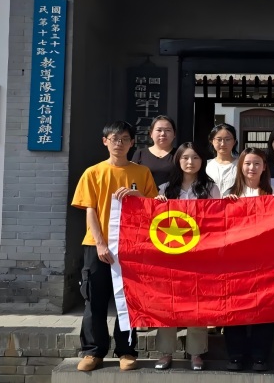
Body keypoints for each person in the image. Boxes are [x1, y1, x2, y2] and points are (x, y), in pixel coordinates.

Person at [71, 121, 158, 372]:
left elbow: (154, 208)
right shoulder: (93, 172)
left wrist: (138, 197)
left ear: (132, 143)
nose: (119, 143)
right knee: (95, 301)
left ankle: (126, 350)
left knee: (127, 301)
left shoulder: (142, 173)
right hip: (97, 245)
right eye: (114, 138)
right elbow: (90, 210)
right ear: (105, 141)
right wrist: (100, 244)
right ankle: (93, 352)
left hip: (131, 246)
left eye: (124, 139)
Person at [153, 142, 221, 371]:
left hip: (199, 256)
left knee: (196, 304)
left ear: (202, 161)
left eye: (195, 158)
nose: (190, 162)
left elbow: (217, 222)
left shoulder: (211, 189)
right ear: (178, 160)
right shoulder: (165, 189)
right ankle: (165, 352)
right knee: (168, 303)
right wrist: (156, 205)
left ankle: (196, 353)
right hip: (171, 255)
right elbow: (155, 223)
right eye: (185, 158)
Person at [223, 147, 274, 372]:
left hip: (265, 264)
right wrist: (224, 206)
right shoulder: (229, 193)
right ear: (240, 166)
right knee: (234, 309)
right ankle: (236, 356)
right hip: (235, 263)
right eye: (247, 163)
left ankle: (260, 356)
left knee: (263, 309)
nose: (252, 168)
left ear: (264, 167)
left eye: (257, 163)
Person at [131, 115, 177, 187]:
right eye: (159, 130)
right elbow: (132, 179)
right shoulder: (140, 154)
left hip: (173, 194)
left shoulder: (179, 154)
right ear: (151, 133)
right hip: (145, 194)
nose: (163, 134)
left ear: (174, 134)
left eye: (168, 130)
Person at [205, 123, 239, 195]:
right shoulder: (206, 165)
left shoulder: (241, 165)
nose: (223, 144)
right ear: (212, 141)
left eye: (227, 139)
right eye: (219, 139)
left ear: (234, 142)